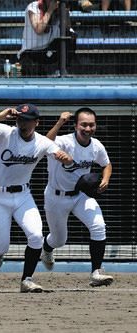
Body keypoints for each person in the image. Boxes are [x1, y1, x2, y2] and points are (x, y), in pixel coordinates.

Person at [0, 104, 72, 292]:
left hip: (23, 196)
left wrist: (65, 158)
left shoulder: (42, 142)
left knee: (36, 236)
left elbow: (60, 154)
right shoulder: (6, 132)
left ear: (36, 122)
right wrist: (0, 115)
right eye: (19, 119)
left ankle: (27, 279)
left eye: (26, 120)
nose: (22, 123)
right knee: (2, 246)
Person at [41, 108, 113, 287]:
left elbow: (106, 164)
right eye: (84, 125)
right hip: (56, 197)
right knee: (59, 240)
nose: (88, 128)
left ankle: (96, 272)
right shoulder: (64, 142)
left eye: (91, 125)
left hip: (80, 195)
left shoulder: (96, 145)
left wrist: (105, 179)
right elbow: (44, 143)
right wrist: (59, 123)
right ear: (75, 125)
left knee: (98, 226)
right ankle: (47, 247)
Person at [19, 0, 68, 76]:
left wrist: (65, 12)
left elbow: (67, 28)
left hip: (47, 51)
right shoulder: (33, 7)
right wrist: (50, 10)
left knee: (70, 37)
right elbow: (39, 30)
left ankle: (61, 70)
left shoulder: (59, 9)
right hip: (31, 53)